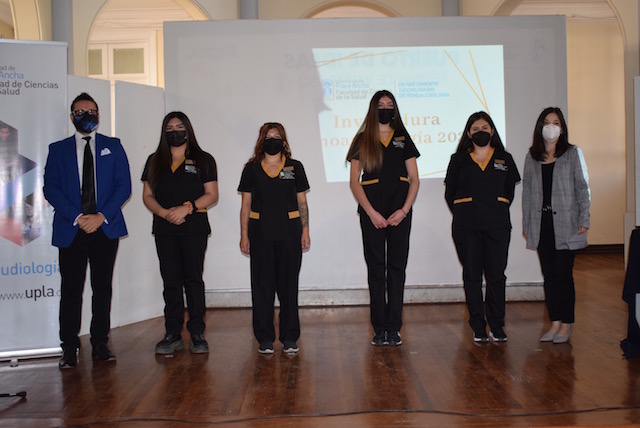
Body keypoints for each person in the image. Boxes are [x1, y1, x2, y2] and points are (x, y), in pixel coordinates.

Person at [43, 92, 132, 368]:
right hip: (72, 228)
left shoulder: (113, 146)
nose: (86, 115)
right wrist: (78, 216)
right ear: (72, 117)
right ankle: (69, 347)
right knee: (71, 289)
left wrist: (100, 216)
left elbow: (124, 186)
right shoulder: (57, 150)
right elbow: (50, 188)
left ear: (99, 115)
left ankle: (100, 343)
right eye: (80, 112)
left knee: (102, 288)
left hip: (105, 227)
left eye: (91, 111)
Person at [346, 90, 420, 346]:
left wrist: (404, 210)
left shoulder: (403, 138)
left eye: (390, 104)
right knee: (376, 269)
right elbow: (354, 182)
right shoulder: (362, 139)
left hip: (400, 212)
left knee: (397, 269)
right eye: (381, 104)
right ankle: (379, 328)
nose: (386, 108)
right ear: (373, 108)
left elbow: (415, 179)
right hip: (372, 213)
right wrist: (371, 212)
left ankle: (394, 328)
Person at [142, 111, 218, 355]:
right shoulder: (154, 160)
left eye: (179, 127)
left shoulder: (203, 159)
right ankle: (172, 333)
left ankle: (197, 333)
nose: (174, 132)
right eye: (169, 128)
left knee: (193, 280)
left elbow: (212, 194)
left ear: (188, 129)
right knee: (170, 281)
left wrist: (188, 208)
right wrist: (165, 213)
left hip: (194, 228)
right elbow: (147, 195)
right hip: (164, 229)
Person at [445, 111, 520, 343]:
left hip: (497, 226)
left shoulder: (504, 158)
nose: (481, 132)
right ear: (469, 133)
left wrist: (495, 208)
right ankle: (478, 325)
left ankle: (496, 324)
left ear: (492, 131)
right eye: (476, 129)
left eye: (485, 128)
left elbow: (509, 192)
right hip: (467, 227)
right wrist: (465, 211)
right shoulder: (458, 159)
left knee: (496, 276)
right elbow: (450, 194)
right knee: (472, 275)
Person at [238, 122, 310, 355]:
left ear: (284, 141)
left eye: (276, 136)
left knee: (289, 287)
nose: (272, 140)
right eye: (268, 136)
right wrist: (244, 235)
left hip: (290, 234)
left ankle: (290, 337)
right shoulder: (251, 169)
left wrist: (305, 231)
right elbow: (245, 205)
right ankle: (265, 338)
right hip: (260, 235)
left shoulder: (295, 167)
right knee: (262, 287)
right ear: (261, 141)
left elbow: (302, 202)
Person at [522, 107, 590, 344]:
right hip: (542, 223)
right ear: (540, 126)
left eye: (556, 122)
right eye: (547, 122)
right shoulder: (532, 157)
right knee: (549, 275)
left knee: (563, 274)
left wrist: (584, 219)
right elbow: (527, 193)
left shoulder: (572, 153)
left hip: (567, 223)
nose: (551, 126)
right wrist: (527, 223)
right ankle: (555, 322)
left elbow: (582, 187)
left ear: (562, 128)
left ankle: (567, 322)